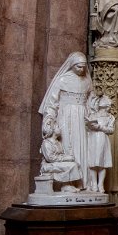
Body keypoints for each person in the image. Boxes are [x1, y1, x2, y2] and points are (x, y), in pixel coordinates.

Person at [38, 51, 94, 191]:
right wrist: (49, 119)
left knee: (83, 148)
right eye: (78, 67)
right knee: (69, 147)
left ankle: (83, 183)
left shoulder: (87, 81)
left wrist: (92, 115)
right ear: (72, 65)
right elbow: (52, 103)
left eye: (83, 66)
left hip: (82, 119)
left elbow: (91, 101)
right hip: (66, 118)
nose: (81, 69)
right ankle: (67, 184)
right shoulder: (62, 80)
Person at [86, 94, 115, 192]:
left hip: (103, 140)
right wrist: (90, 126)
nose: (108, 108)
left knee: (102, 163)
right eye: (108, 106)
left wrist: (100, 127)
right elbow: (87, 127)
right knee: (93, 162)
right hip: (92, 138)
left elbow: (111, 130)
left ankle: (100, 184)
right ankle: (94, 184)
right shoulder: (93, 115)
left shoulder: (110, 117)